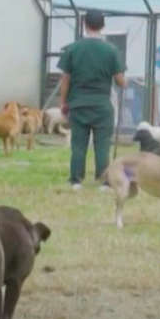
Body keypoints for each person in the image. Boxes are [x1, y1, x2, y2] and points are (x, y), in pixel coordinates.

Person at [57, 10, 125, 190]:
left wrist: (63, 102)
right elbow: (120, 81)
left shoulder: (72, 49)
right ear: (103, 26)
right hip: (102, 103)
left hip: (78, 103)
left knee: (78, 143)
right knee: (102, 143)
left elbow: (65, 79)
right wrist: (124, 81)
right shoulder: (111, 50)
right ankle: (104, 180)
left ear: (84, 25)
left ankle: (76, 180)